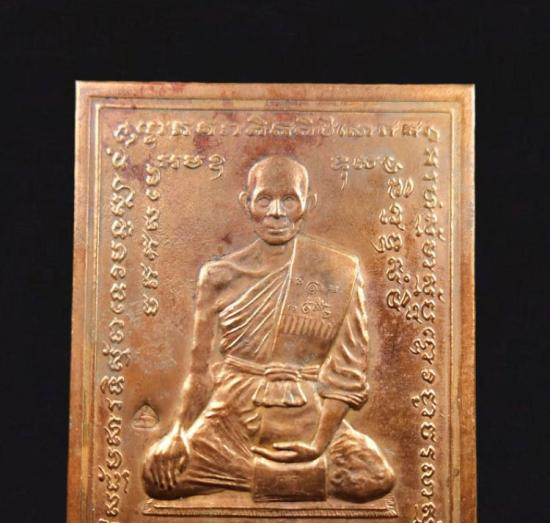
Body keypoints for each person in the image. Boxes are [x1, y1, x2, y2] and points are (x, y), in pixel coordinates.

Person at [143, 155, 395, 503]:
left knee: (375, 477)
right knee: (159, 477)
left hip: (306, 413)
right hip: (231, 413)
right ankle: (290, 480)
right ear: (246, 204)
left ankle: (259, 475)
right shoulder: (219, 276)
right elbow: (199, 373)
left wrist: (318, 443)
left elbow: (347, 372)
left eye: (289, 200)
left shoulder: (339, 271)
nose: (276, 212)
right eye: (264, 200)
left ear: (308, 204)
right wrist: (178, 432)